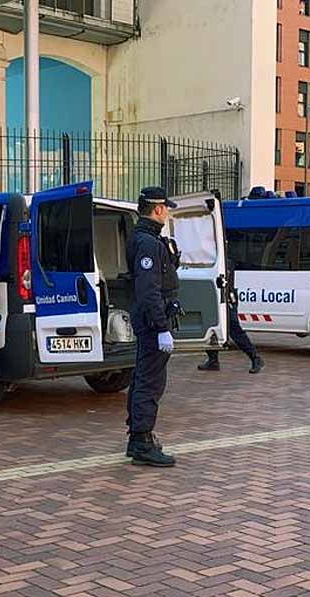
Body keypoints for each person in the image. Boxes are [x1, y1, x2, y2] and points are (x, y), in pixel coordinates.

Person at [124, 187, 181, 467]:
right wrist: (161, 328)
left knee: (143, 378)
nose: (168, 212)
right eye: (166, 208)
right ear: (157, 209)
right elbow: (149, 291)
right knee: (150, 381)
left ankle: (139, 435)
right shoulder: (147, 243)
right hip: (151, 322)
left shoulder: (148, 239)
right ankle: (141, 441)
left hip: (149, 320)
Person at [198, 256, 264, 374]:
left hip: (226, 299)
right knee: (211, 329)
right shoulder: (212, 259)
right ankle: (213, 360)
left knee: (234, 330)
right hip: (214, 298)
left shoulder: (224, 262)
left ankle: (255, 358)